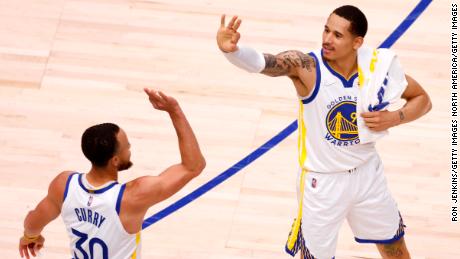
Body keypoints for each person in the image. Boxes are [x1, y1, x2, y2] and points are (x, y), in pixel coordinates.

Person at [217, 5, 431, 259]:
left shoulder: (375, 68)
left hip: (368, 175)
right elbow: (267, 63)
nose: (327, 39)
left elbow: (423, 100)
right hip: (322, 183)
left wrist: (394, 118)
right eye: (326, 30)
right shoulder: (307, 67)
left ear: (357, 42)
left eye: (338, 35)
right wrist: (234, 52)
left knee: (396, 251)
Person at [18, 88, 206, 259]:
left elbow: (32, 221)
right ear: (115, 160)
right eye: (126, 146)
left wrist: (30, 236)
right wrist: (175, 111)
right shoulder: (133, 196)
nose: (130, 148)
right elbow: (193, 166)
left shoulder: (64, 185)